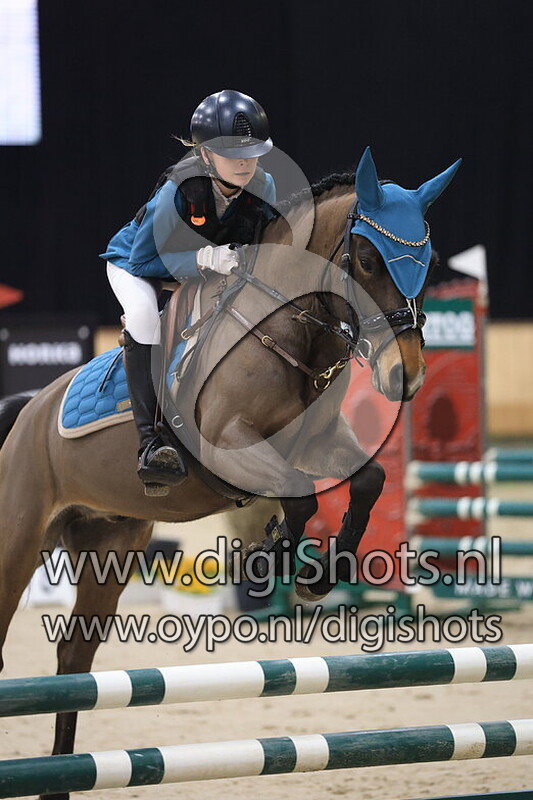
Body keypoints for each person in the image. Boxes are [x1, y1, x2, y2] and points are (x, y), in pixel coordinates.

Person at [101, 90, 276, 491]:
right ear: (205, 154)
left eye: (251, 152)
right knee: (144, 317)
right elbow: (144, 262)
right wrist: (205, 259)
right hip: (136, 263)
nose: (244, 162)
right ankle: (150, 445)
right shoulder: (180, 189)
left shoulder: (262, 186)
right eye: (232, 153)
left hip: (200, 270)